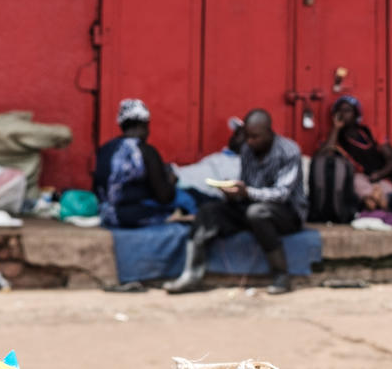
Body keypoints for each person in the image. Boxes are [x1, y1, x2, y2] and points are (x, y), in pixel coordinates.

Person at [164, 109, 306, 295]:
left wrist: (247, 192)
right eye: (247, 136)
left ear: (269, 132)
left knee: (257, 213)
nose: (250, 141)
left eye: (255, 137)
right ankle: (191, 274)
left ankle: (281, 275)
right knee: (209, 211)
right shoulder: (247, 150)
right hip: (250, 206)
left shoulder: (289, 151)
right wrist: (234, 193)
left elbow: (281, 194)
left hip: (286, 213)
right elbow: (247, 184)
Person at [93, 98, 185, 227]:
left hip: (105, 215)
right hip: (135, 217)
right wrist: (171, 180)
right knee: (187, 199)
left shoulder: (105, 149)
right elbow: (164, 197)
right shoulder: (146, 151)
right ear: (143, 125)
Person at [321, 95, 392, 211]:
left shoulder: (371, 132)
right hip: (358, 180)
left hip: (381, 178)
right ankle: (373, 201)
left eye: (347, 111)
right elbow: (324, 157)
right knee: (360, 187)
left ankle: (377, 200)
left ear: (356, 114)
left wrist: (378, 175)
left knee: (384, 193)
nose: (342, 114)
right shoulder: (333, 137)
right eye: (339, 111)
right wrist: (336, 128)